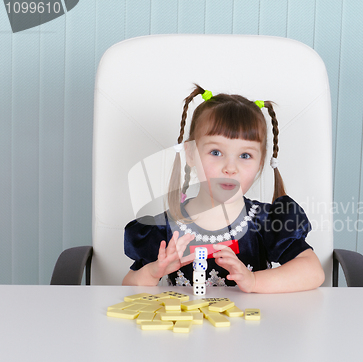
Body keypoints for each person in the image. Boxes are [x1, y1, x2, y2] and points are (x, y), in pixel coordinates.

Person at [122, 85, 325, 292]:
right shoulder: (165, 228)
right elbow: (128, 285)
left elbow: (313, 271)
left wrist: (253, 281)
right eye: (216, 152)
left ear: (260, 162)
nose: (230, 168)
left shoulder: (267, 221)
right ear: (191, 154)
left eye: (245, 156)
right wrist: (153, 272)